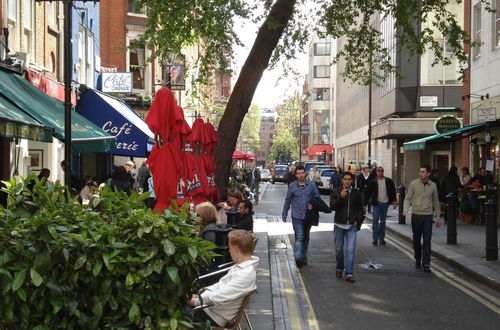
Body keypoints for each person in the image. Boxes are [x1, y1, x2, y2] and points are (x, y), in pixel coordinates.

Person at [188, 230, 259, 327]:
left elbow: (219, 296)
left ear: (236, 248)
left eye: (230, 247)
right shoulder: (242, 266)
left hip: (212, 316)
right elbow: (220, 286)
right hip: (210, 310)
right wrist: (199, 295)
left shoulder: (245, 274)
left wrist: (196, 301)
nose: (229, 251)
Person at [403, 165, 441, 273]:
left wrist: (437, 217)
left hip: (428, 216)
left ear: (428, 173)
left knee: (427, 241)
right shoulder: (414, 184)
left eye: (423, 172)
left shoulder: (433, 185)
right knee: (416, 240)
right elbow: (408, 198)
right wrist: (405, 210)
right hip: (416, 215)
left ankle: (426, 263)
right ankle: (418, 258)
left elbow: (436, 202)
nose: (420, 173)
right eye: (420, 171)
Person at [282, 165, 320, 267]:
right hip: (297, 216)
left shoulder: (311, 185)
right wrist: (284, 213)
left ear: (305, 173)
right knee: (299, 236)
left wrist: (313, 205)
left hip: (308, 216)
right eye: (298, 173)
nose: (301, 175)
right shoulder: (292, 186)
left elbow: (317, 198)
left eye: (302, 173)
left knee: (306, 237)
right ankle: (298, 257)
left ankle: (303, 257)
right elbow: (288, 200)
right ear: (296, 175)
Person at [330, 172, 365, 283]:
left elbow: (361, 209)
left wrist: (357, 221)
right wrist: (341, 197)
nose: (347, 181)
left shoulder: (356, 193)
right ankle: (339, 268)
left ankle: (349, 273)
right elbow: (332, 207)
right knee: (339, 250)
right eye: (345, 179)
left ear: (352, 181)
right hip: (339, 225)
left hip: (351, 226)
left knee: (350, 251)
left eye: (349, 179)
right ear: (342, 180)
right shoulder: (336, 191)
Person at [364, 166, 397, 245]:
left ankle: (381, 238)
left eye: (382, 171)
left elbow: (393, 191)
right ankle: (375, 238)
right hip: (376, 203)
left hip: (385, 203)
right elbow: (367, 193)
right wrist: (364, 204)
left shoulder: (388, 181)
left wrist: (394, 201)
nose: (380, 172)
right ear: (376, 172)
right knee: (375, 220)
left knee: (382, 222)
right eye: (378, 171)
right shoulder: (373, 182)